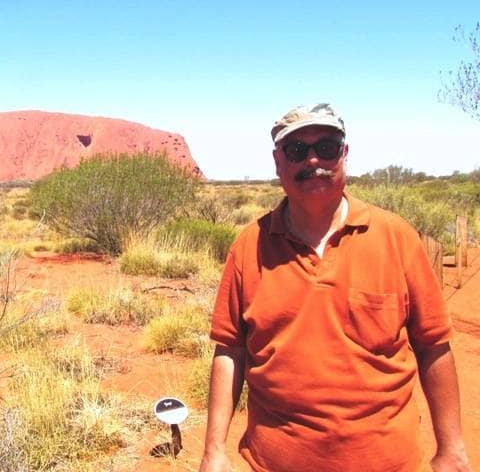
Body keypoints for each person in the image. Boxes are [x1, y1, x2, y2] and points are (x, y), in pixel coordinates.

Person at [199, 104, 472, 472]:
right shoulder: (250, 246)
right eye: (297, 150)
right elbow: (230, 350)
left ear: (344, 154)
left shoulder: (397, 238)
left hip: (388, 462)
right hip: (275, 462)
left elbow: (433, 345)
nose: (313, 160)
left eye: (326, 147)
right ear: (279, 162)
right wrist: (214, 450)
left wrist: (451, 448)